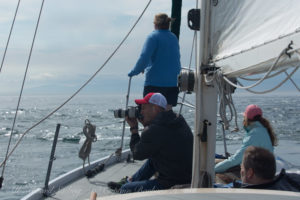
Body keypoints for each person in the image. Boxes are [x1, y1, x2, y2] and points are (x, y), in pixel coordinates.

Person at [108, 92, 193, 193]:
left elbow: (137, 154)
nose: (141, 111)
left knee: (125, 190)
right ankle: (131, 181)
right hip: (188, 175)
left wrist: (134, 128)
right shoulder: (178, 119)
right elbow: (157, 139)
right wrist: (147, 125)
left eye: (143, 108)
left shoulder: (154, 130)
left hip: (172, 182)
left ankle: (127, 185)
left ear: (155, 108)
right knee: (153, 159)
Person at [128, 13, 181, 110]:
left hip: (155, 85)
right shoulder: (173, 38)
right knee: (167, 114)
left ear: (155, 24)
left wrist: (133, 72)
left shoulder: (152, 37)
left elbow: (144, 57)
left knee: (150, 115)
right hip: (172, 84)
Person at [215, 104, 277, 174]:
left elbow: (236, 160)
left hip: (258, 174)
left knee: (212, 165)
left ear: (246, 118)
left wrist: (213, 170)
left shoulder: (255, 134)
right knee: (215, 162)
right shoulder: (263, 130)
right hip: (264, 170)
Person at [233, 146, 300, 191]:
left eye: (242, 168)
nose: (241, 171)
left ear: (250, 173)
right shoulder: (292, 180)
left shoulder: (236, 192)